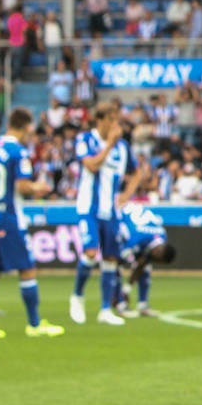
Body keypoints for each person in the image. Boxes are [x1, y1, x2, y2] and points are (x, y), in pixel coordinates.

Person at [0, 108, 64, 339]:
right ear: (26, 126)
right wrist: (38, 188)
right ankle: (35, 324)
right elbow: (22, 186)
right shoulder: (18, 152)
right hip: (10, 219)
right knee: (27, 268)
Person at [69, 102, 141, 327]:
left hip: (111, 211)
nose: (114, 125)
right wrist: (109, 145)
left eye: (116, 120)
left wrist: (128, 193)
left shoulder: (123, 148)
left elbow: (136, 171)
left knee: (111, 258)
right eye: (110, 120)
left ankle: (104, 309)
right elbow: (90, 165)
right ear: (99, 120)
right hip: (88, 208)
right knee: (90, 253)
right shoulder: (86, 140)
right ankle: (77, 297)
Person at [113, 202, 177, 318]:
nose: (156, 262)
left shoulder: (161, 236)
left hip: (135, 222)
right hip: (119, 221)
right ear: (159, 253)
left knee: (146, 267)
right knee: (115, 265)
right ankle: (120, 304)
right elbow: (116, 262)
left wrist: (126, 289)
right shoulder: (136, 239)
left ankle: (142, 305)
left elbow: (143, 262)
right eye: (158, 260)